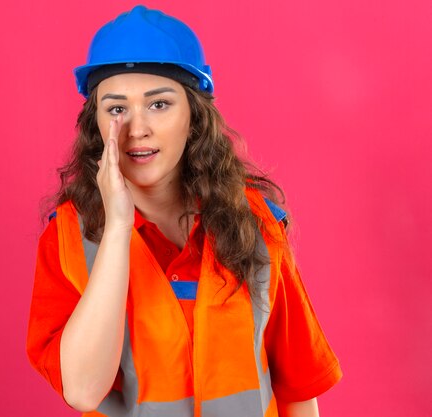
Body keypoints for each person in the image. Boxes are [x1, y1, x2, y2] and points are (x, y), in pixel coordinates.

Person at [26, 5, 342, 417]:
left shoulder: (256, 223)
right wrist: (118, 226)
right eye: (117, 108)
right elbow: (84, 391)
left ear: (194, 115)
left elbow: (299, 387)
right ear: (96, 123)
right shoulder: (68, 239)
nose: (137, 128)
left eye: (159, 104)